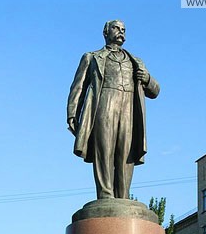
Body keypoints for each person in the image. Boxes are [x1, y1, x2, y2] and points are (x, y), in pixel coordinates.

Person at [67, 20, 160, 200]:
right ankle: (106, 196)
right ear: (105, 32)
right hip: (104, 104)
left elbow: (155, 91)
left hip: (129, 108)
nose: (121, 32)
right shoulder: (92, 57)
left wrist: (147, 78)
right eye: (116, 28)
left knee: (127, 153)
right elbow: (78, 87)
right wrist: (72, 112)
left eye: (124, 30)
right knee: (104, 150)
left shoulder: (136, 61)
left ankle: (123, 197)